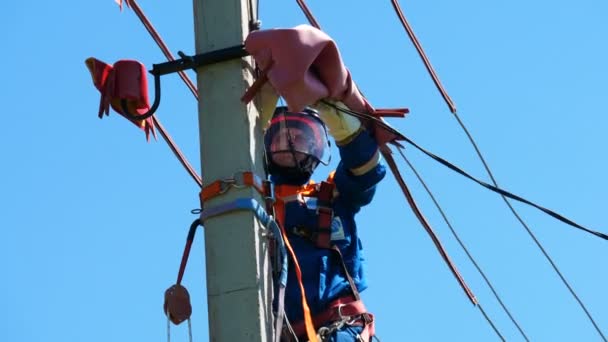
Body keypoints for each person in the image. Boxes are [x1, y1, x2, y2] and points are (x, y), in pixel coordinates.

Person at [263, 101, 386, 342]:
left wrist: (335, 113)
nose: (290, 144)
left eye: (300, 138)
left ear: (315, 146)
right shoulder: (255, 213)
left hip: (341, 330)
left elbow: (366, 170)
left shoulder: (333, 197)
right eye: (284, 137)